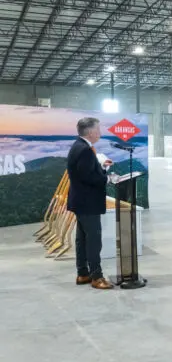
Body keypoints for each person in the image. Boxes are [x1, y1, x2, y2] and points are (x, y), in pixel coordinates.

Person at [67, 117, 114, 289]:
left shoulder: (78, 146)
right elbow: (89, 177)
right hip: (87, 202)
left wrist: (101, 168)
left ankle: (83, 273)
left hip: (80, 201)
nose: (100, 133)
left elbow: (85, 173)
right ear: (91, 132)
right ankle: (96, 276)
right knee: (93, 240)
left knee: (82, 239)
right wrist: (107, 178)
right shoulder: (85, 150)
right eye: (99, 129)